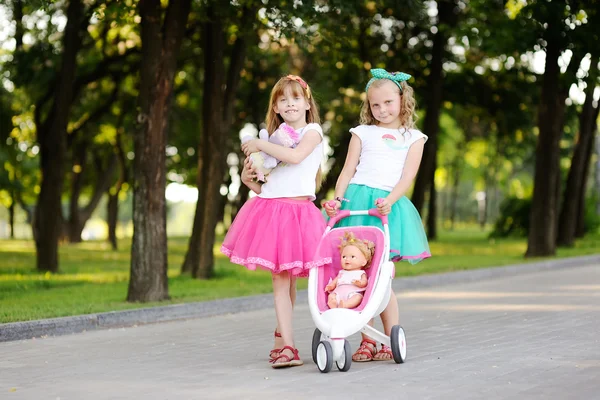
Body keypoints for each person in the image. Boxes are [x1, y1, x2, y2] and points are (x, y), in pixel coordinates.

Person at [221, 74, 330, 369]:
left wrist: (259, 143)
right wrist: (248, 180)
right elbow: (265, 186)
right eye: (283, 100)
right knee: (281, 279)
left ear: (307, 102)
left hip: (299, 215)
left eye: (296, 98)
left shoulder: (313, 131)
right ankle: (285, 342)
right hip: (270, 213)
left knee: (288, 279)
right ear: (277, 107)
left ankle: (286, 343)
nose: (290, 104)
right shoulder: (274, 138)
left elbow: (295, 158)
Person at [324, 68, 431, 362]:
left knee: (381, 278)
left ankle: (388, 339)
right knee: (355, 273)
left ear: (402, 100)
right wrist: (337, 199)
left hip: (385, 206)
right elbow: (347, 170)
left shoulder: (414, 138)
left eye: (388, 103)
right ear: (368, 106)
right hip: (357, 202)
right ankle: (365, 341)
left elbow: (408, 176)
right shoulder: (362, 133)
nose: (382, 110)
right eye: (375, 105)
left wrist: (390, 200)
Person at [325, 231, 375, 309]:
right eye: (344, 257)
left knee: (358, 298)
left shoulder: (361, 273)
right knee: (331, 296)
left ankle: (346, 304)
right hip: (338, 292)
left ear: (363, 262)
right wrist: (331, 285)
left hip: (353, 292)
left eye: (352, 257)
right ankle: (333, 304)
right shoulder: (342, 272)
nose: (347, 259)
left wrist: (361, 283)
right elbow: (335, 281)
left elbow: (365, 282)